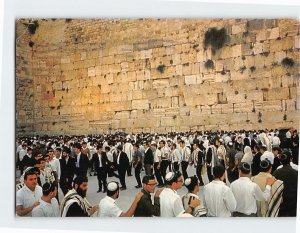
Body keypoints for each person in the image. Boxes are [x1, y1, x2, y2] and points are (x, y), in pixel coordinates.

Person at [273, 150, 298, 216]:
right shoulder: (296, 171)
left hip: (281, 201)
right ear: (290, 159)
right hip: (294, 201)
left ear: (280, 161)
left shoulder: (276, 172)